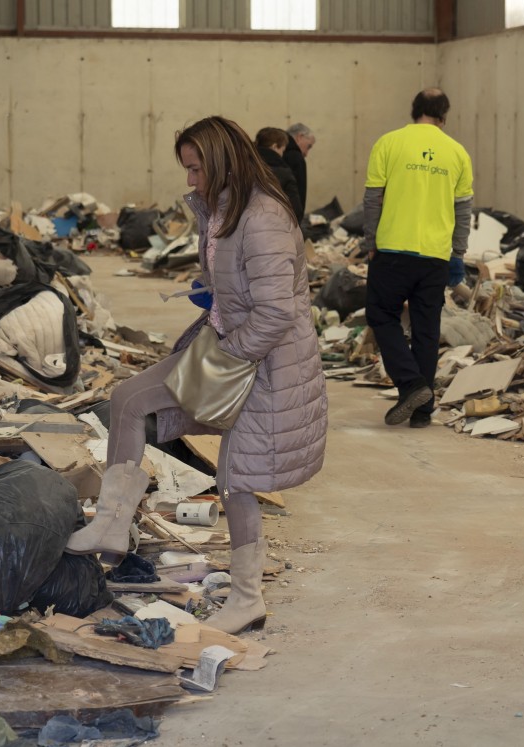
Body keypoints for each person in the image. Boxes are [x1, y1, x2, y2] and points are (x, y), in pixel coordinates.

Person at [66, 115, 328, 634]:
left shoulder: (263, 216)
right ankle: (112, 527)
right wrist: (212, 291)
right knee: (129, 399)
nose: (188, 180)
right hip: (229, 346)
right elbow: (242, 283)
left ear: (220, 159)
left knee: (236, 480)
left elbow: (277, 311)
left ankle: (247, 597)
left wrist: (227, 359)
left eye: (194, 168)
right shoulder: (223, 208)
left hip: (269, 364)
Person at [362, 88, 473, 428]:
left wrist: (371, 240)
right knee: (427, 329)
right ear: (444, 116)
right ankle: (422, 412)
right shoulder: (457, 153)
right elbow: (463, 210)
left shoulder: (389, 143)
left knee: (382, 316)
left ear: (414, 111)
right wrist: (458, 253)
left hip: (392, 250)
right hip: (435, 257)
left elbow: (372, 199)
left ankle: (412, 386)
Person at [254, 126, 303, 219]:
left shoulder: (244, 167)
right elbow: (296, 210)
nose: (282, 155)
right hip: (275, 226)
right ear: (275, 146)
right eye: (282, 150)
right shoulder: (283, 172)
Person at [283, 123, 315, 219]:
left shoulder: (279, 153)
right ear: (299, 137)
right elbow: (299, 197)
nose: (306, 153)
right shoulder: (296, 157)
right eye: (308, 146)